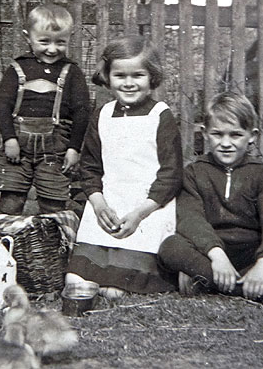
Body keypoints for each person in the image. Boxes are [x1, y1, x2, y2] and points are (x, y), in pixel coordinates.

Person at [65, 36, 183, 300]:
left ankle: (127, 278)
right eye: (120, 75)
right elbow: (90, 166)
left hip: (147, 207)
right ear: (108, 77)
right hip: (108, 205)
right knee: (75, 279)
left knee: (117, 288)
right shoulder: (102, 114)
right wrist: (98, 204)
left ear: (152, 77)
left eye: (138, 75)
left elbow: (171, 174)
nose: (128, 83)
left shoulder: (160, 115)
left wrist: (140, 213)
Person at [158, 91, 263, 306]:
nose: (226, 143)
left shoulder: (260, 175)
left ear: (252, 136)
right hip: (209, 254)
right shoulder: (194, 173)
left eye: (235, 135)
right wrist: (217, 256)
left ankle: (212, 284)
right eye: (218, 134)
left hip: (251, 253)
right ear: (205, 133)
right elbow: (190, 219)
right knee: (170, 246)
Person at [0, 4, 90, 215]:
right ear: (28, 37)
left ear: (69, 39)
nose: (52, 49)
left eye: (60, 42)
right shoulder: (17, 68)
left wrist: (74, 148)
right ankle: (5, 235)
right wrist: (9, 139)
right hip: (18, 147)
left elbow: (82, 112)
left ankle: (50, 236)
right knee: (10, 199)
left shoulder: (72, 72)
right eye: (44, 41)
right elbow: (2, 105)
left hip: (56, 149)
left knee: (53, 202)